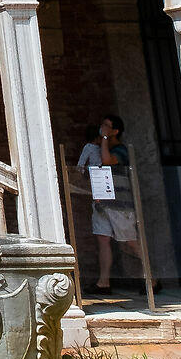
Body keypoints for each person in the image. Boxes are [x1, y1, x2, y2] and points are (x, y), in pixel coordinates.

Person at [77, 116, 138, 293]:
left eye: (106, 126)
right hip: (102, 204)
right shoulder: (96, 149)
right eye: (101, 125)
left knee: (130, 243)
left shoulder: (121, 150)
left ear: (115, 131)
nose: (102, 128)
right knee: (103, 240)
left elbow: (107, 161)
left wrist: (103, 138)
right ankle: (103, 283)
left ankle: (152, 279)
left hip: (120, 206)